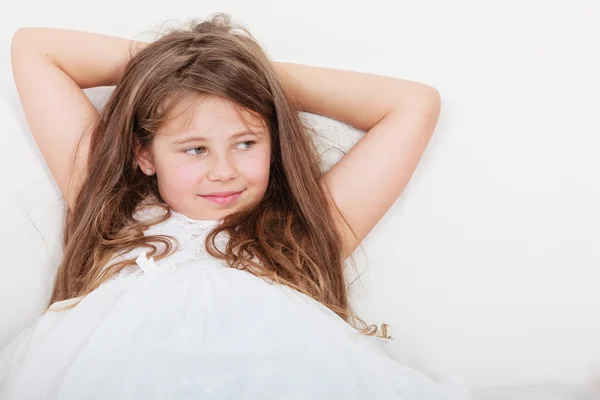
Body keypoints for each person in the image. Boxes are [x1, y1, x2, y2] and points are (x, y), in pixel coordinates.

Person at [0, 13, 469, 399]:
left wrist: (243, 74)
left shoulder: (297, 235)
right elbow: (36, 49)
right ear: (144, 155)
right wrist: (186, 66)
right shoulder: (115, 216)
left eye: (245, 142)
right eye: (195, 149)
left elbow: (413, 103)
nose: (223, 171)